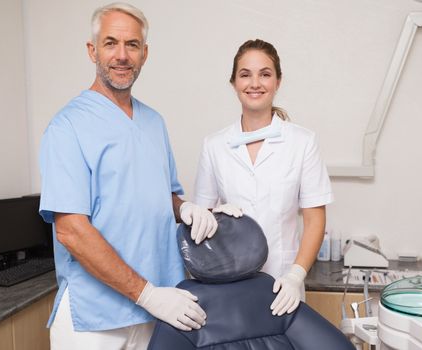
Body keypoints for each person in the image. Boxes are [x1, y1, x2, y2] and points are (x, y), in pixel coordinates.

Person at [39, 3, 230, 349]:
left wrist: (187, 210)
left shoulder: (153, 123)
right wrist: (147, 294)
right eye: (111, 43)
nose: (122, 55)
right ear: (92, 50)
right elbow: (71, 231)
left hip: (156, 307)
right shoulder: (67, 127)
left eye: (132, 45)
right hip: (95, 318)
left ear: (145, 54)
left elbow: (163, 196)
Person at [194, 39, 334, 317]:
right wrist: (214, 215)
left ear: (278, 81)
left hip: (284, 284)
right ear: (234, 82)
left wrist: (295, 276)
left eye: (265, 74)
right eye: (245, 74)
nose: (254, 83)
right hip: (229, 284)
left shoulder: (302, 142)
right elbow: (201, 218)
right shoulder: (215, 145)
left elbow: (315, 219)